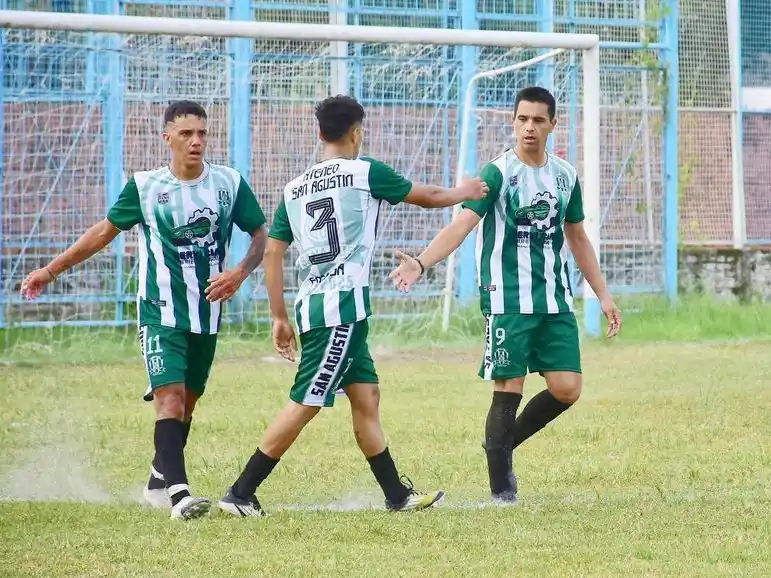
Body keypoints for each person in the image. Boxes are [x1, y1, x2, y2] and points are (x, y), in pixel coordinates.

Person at [217, 94, 489, 516]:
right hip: (339, 311)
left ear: (320, 133)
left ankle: (396, 496)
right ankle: (240, 492)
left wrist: (277, 316)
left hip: (316, 306)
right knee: (306, 401)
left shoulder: (295, 188)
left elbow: (272, 254)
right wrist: (464, 192)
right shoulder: (365, 172)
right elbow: (429, 195)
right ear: (357, 132)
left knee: (367, 396)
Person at [19, 100, 268, 520]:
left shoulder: (228, 183)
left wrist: (240, 272)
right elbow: (103, 232)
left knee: (187, 404)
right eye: (186, 133)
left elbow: (260, 234)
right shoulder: (146, 186)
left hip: (206, 313)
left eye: (202, 133)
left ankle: (157, 481)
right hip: (159, 310)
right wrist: (51, 269)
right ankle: (179, 496)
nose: (196, 141)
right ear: (166, 137)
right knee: (169, 399)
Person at [388, 86, 622, 503]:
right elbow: (462, 224)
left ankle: (498, 445)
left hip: (554, 300)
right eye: (522, 119)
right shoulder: (497, 173)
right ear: (513, 122)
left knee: (568, 388)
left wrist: (602, 294)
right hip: (507, 299)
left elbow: (578, 236)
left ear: (553, 123)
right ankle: (502, 491)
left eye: (537, 120)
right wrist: (421, 262)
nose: (529, 127)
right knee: (509, 386)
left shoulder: (565, 175)